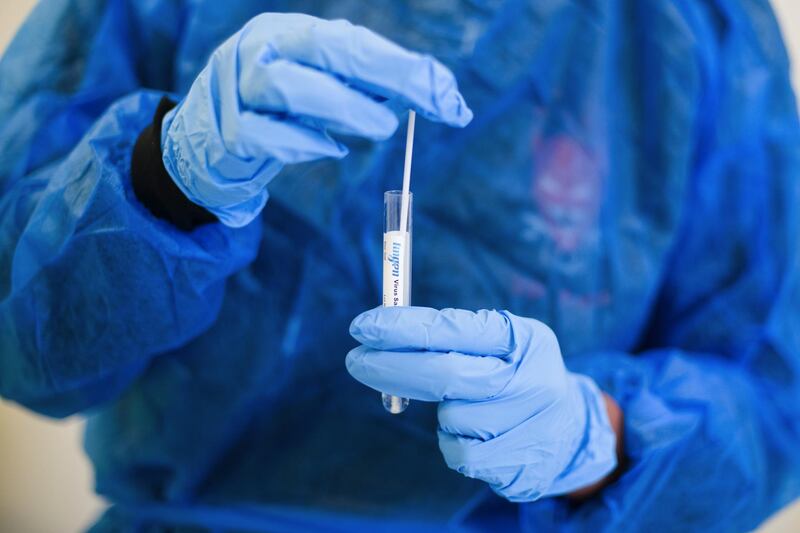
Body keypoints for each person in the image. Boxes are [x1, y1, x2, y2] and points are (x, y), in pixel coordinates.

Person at [0, 0, 798, 530]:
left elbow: (774, 397)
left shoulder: (697, 29)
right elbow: (19, 332)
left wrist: (600, 440)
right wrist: (162, 176)